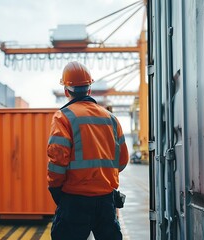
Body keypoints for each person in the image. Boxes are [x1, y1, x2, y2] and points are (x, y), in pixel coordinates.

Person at [47, 61, 129, 240]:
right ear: (89, 89)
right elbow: (122, 161)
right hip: (106, 201)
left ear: (66, 91)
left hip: (74, 200)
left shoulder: (63, 117)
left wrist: (55, 188)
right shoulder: (111, 119)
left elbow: (57, 160)